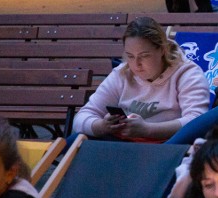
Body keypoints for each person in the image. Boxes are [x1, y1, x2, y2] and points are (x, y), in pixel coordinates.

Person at [71, 16, 210, 145]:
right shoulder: (123, 73)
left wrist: (147, 129)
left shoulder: (186, 73)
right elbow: (81, 118)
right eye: (130, 56)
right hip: (124, 143)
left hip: (166, 146)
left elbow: (197, 121)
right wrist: (101, 126)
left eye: (144, 56)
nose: (136, 64)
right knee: (75, 141)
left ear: (162, 50)